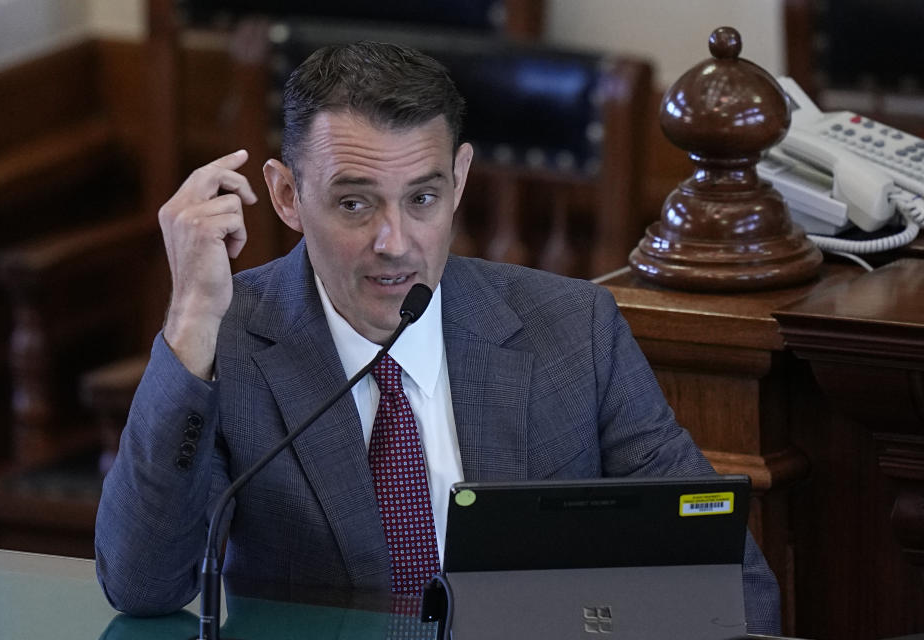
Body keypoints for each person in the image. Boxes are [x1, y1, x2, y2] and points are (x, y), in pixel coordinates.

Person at [95, 41, 780, 633]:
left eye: (422, 199)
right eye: (354, 203)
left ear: (459, 180)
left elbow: (728, 579)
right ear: (285, 196)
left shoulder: (574, 330)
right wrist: (190, 323)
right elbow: (142, 586)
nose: (394, 243)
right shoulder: (232, 341)